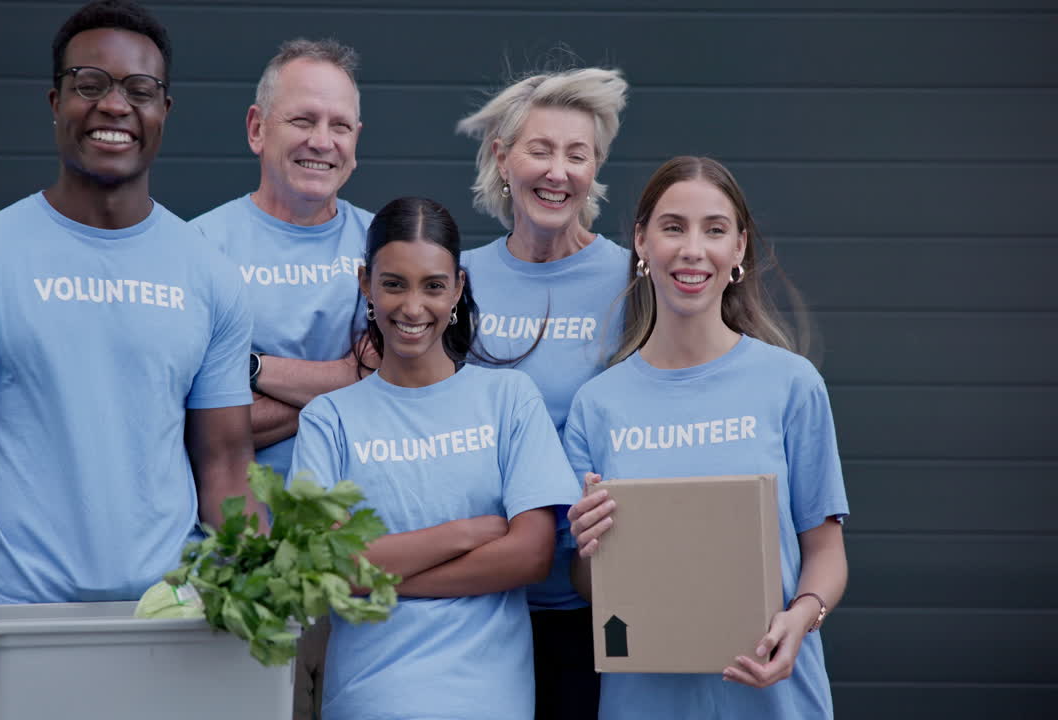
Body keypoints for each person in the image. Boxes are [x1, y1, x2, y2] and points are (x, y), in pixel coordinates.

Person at [0, 0, 259, 678]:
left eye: (139, 90)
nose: (114, 105)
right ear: (56, 100)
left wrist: (257, 568)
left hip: (171, 621)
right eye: (91, 84)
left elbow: (226, 463)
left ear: (164, 111)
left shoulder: (210, 276)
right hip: (13, 621)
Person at [564, 156, 849, 719]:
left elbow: (826, 552)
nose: (693, 249)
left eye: (714, 230)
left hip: (774, 699)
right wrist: (587, 545)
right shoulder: (597, 405)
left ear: (738, 248)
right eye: (673, 227)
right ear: (642, 242)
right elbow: (592, 587)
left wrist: (803, 617)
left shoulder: (792, 385)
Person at [288, 197, 579, 720]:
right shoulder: (328, 419)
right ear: (365, 285)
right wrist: (468, 534)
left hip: (489, 701)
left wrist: (381, 574)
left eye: (433, 285)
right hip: (370, 699)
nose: (413, 307)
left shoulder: (510, 398)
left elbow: (532, 556)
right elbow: (327, 568)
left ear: (459, 288)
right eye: (394, 283)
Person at [188, 37, 372, 717]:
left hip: (358, 563)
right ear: (256, 128)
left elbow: (393, 384)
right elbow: (192, 422)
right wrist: (344, 382)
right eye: (302, 120)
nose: (321, 141)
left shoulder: (383, 245)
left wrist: (253, 371)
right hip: (240, 563)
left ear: (357, 139)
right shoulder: (197, 249)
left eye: (339, 125)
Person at [456, 66, 629, 719]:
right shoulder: (457, 279)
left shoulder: (629, 280)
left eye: (576, 154)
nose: (558, 171)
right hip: (479, 600)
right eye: (540, 149)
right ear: (503, 157)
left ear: (593, 169)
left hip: (592, 599)